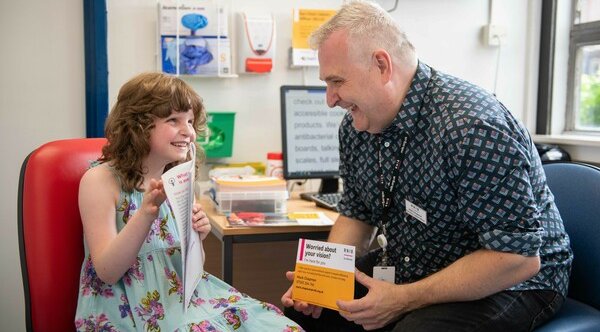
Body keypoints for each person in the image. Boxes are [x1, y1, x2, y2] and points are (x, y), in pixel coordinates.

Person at [281, 1, 572, 331]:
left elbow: (517, 259)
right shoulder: (357, 126)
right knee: (303, 316)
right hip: (419, 262)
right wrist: (322, 281)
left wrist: (403, 298)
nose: (330, 99)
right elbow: (357, 214)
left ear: (381, 65)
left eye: (337, 82)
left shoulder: (471, 126)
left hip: (514, 282)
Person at [75, 72, 304, 332]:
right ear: (137, 125)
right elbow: (107, 271)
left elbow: (192, 268)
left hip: (185, 299)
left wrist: (198, 238)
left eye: (191, 121)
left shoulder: (179, 179)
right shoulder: (100, 181)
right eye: (173, 120)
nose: (189, 133)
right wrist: (146, 214)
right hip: (128, 309)